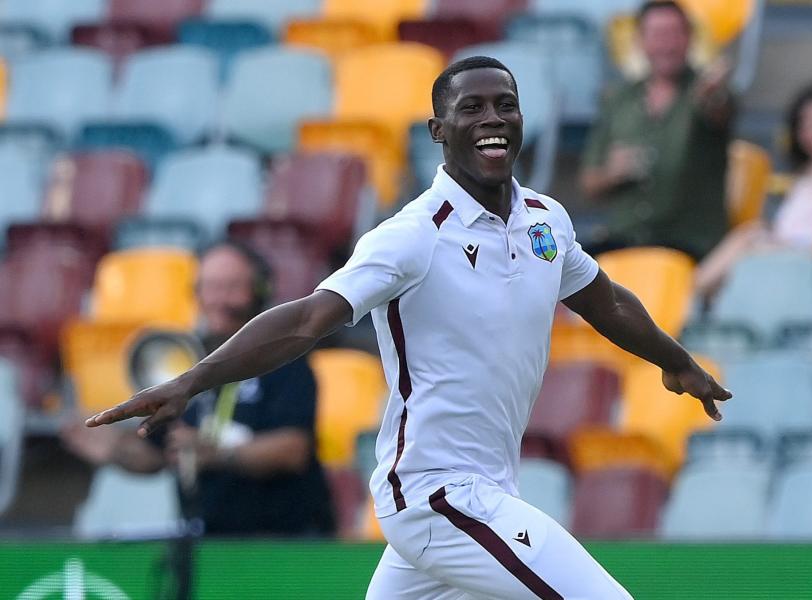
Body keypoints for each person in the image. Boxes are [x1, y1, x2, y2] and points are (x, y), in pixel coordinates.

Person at [85, 56, 731, 599]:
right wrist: (193, 379)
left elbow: (606, 301)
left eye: (504, 105)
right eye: (471, 109)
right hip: (436, 496)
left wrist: (675, 360)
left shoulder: (545, 220)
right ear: (438, 129)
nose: (492, 120)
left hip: (475, 492)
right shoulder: (411, 236)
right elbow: (309, 317)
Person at [63, 241, 335, 537]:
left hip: (283, 541)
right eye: (211, 287)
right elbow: (159, 454)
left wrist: (215, 454)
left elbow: (292, 451)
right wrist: (113, 448)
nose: (220, 299)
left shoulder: (285, 358)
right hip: (206, 539)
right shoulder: (183, 361)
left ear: (260, 291)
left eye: (232, 287)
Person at [579, 0, 734, 261]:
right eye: (657, 35)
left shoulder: (703, 91)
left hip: (688, 246)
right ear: (641, 41)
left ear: (689, 39)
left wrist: (713, 95)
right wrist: (612, 174)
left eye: (674, 34)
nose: (666, 44)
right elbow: (588, 184)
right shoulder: (619, 100)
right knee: (562, 274)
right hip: (625, 241)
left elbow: (722, 111)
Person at [694, 83, 812, 297]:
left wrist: (796, 254)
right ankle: (691, 293)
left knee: (749, 242)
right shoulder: (804, 176)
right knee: (749, 235)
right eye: (807, 123)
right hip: (791, 255)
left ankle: (690, 293)